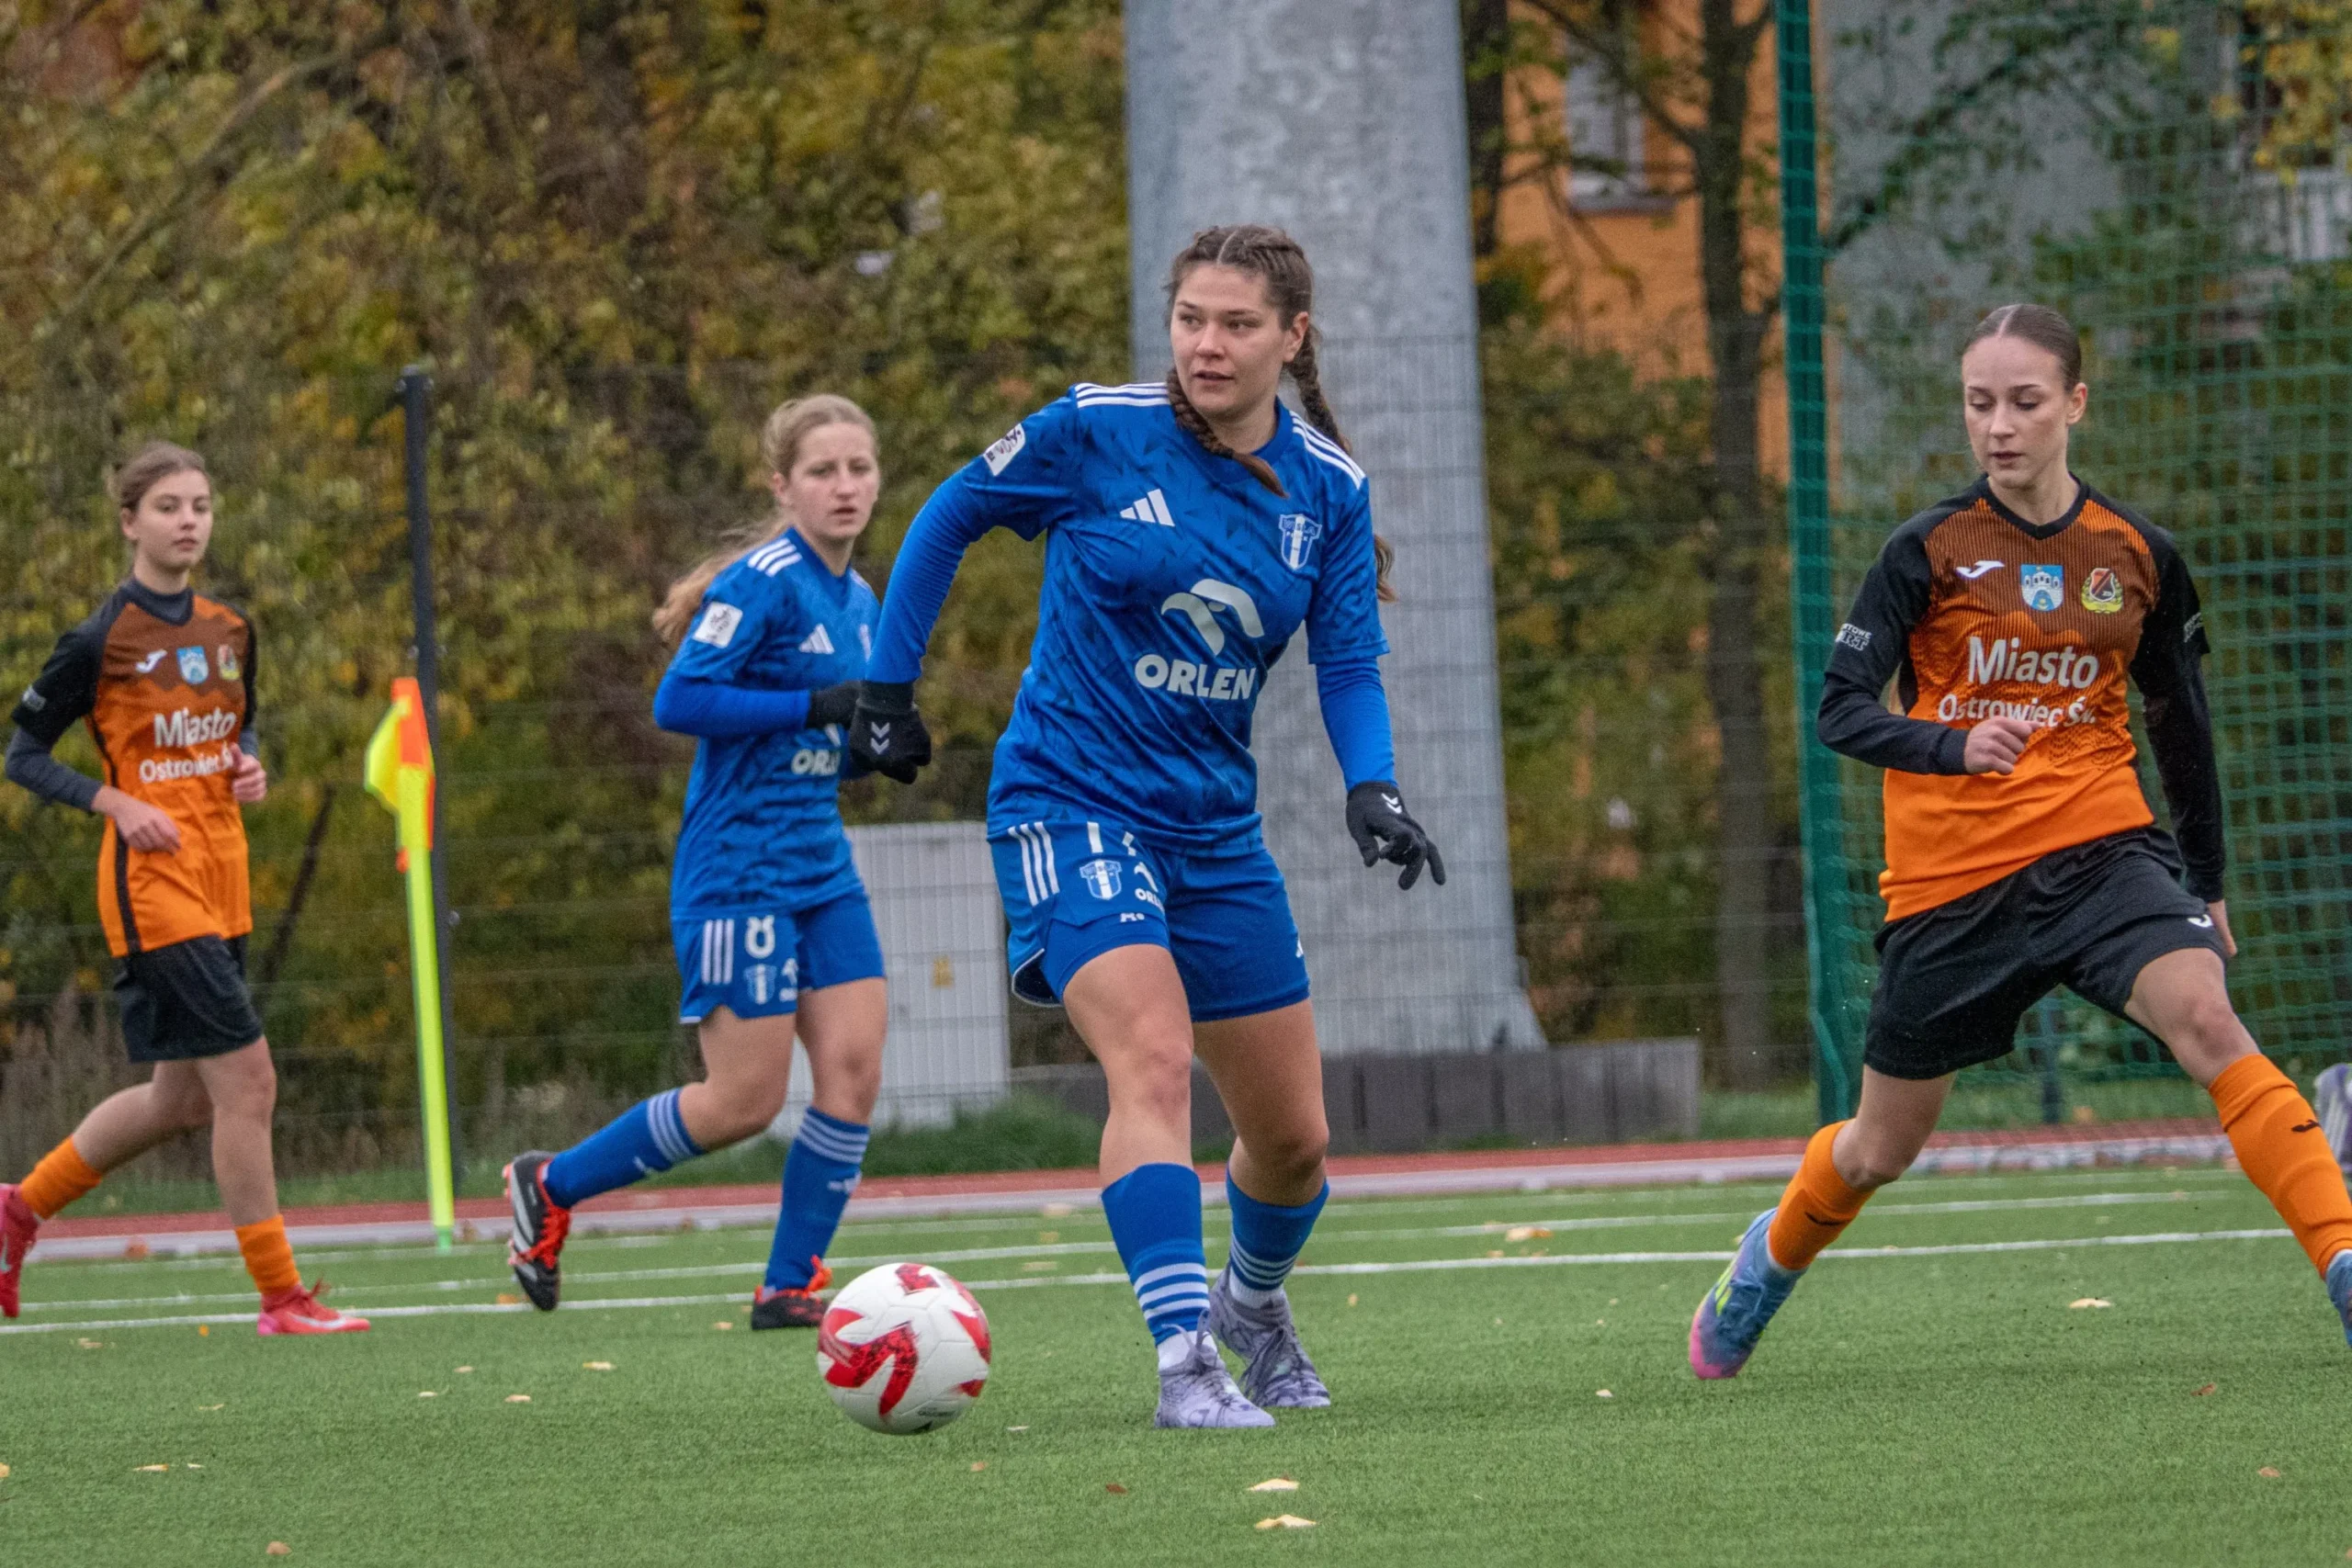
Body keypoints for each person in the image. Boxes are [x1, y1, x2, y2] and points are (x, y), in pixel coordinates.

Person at [850, 224, 1442, 1427]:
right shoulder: (1096, 428)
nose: (1206, 345)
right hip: (1068, 801)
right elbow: (950, 512)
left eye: (1236, 324)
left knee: (1294, 1141)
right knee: (1154, 1060)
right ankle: (1185, 1363)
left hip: (1212, 830)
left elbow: (1347, 663)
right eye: (1189, 319)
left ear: (1293, 337)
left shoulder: (1329, 490)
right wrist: (886, 688)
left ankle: (1251, 1308)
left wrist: (1371, 785)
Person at [1690, 303, 2352, 1377]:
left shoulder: (2137, 554)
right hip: (1951, 883)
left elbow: (2178, 722)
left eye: (2023, 402)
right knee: (1878, 1148)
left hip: (2102, 848)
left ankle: (2341, 1260)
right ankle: (1768, 1259)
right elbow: (1838, 710)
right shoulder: (1923, 551)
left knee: (2207, 1020)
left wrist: (2206, 878)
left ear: (2073, 404)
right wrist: (1951, 746)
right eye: (1978, 403)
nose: (1997, 426)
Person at [504, 395, 889, 1330]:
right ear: (782, 486)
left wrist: (874, 742)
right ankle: (550, 1185)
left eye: (859, 468)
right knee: (743, 1102)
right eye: (823, 471)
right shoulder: (763, 583)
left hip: (821, 868)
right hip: (737, 871)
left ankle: (788, 1284)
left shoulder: (861, 598)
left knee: (853, 1073)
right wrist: (812, 709)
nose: (844, 487)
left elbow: (834, 735)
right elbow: (679, 702)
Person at [0, 442, 367, 1335]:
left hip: (223, 878)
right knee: (250, 1083)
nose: (188, 520)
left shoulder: (230, 629)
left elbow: (234, 733)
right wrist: (116, 802)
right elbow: (24, 755)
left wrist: (248, 767)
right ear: (130, 521)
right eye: (168, 506)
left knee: (183, 1100)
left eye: (199, 505)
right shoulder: (99, 640)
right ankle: (281, 1295)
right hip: (152, 888)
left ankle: (16, 1210)